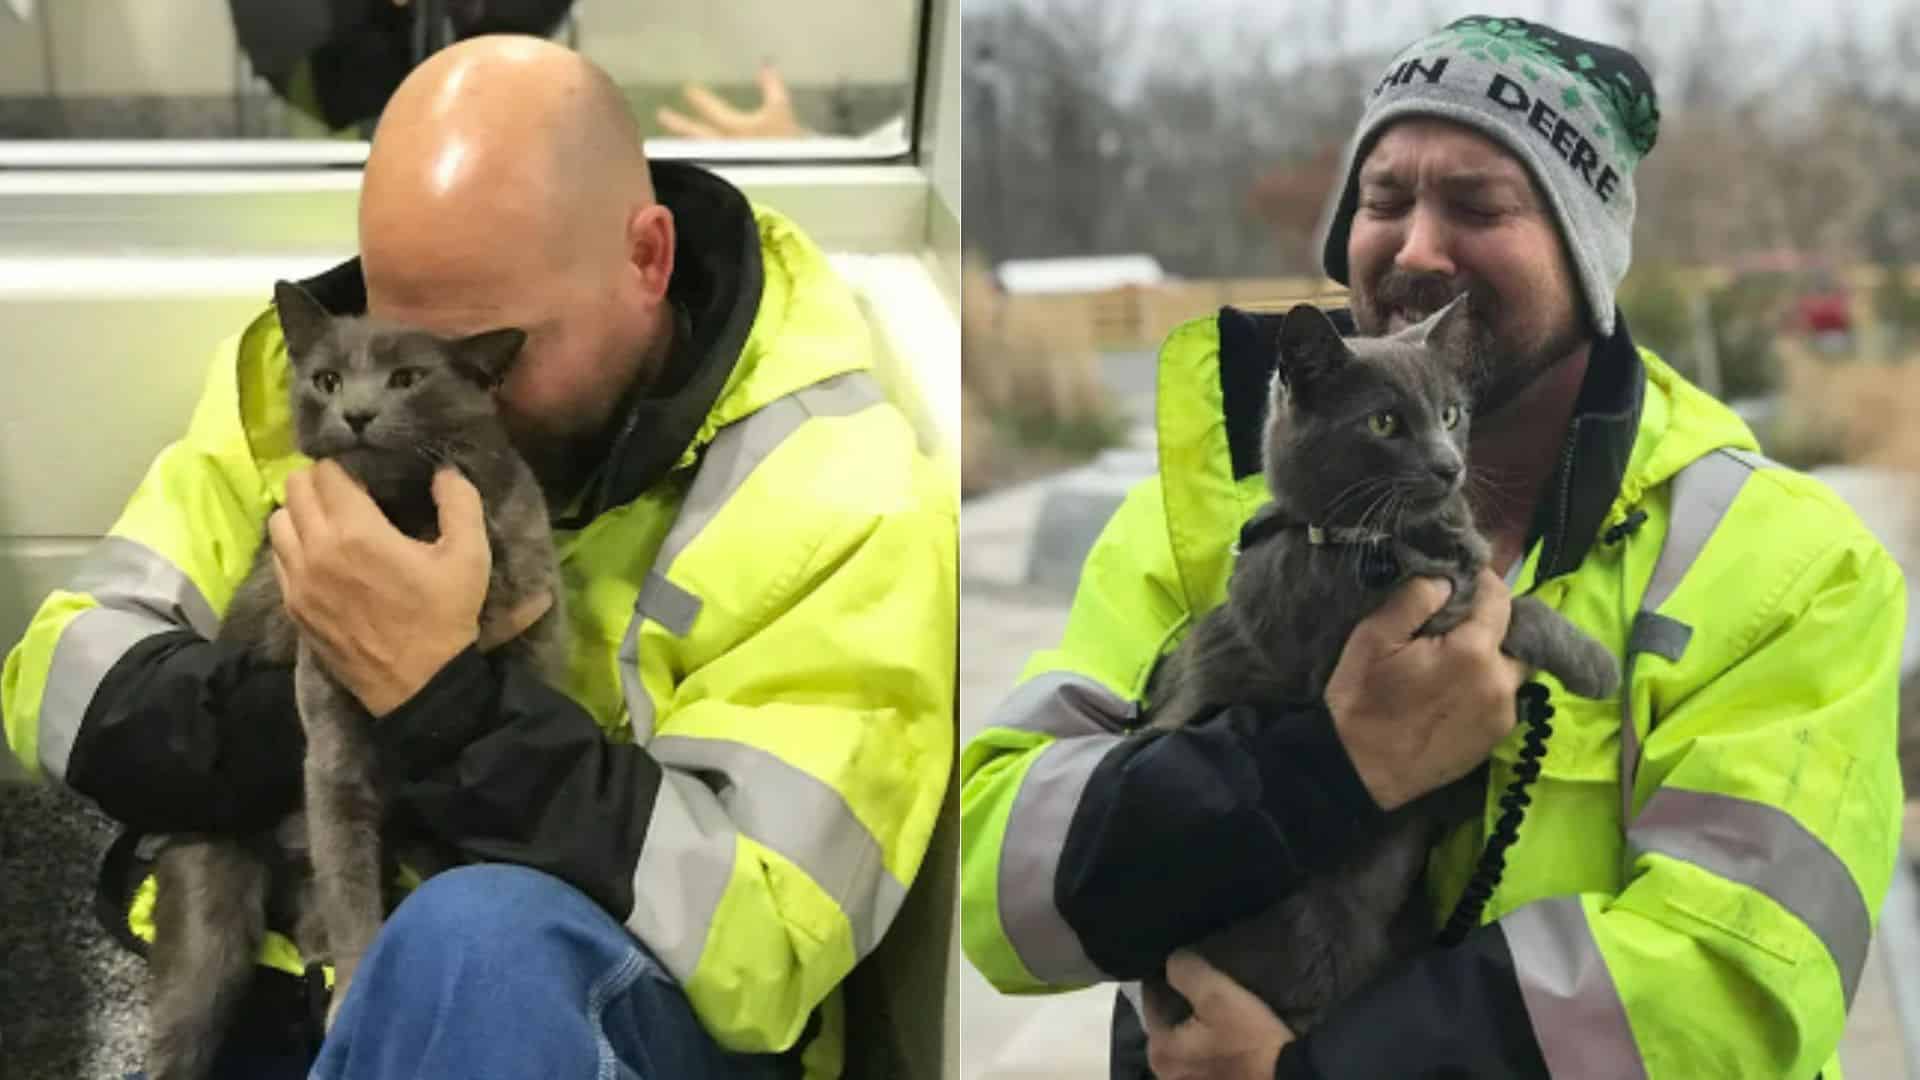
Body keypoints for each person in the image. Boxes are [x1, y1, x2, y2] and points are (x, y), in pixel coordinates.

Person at [959, 14, 1901, 1079]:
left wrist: (1324, 1070)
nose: (1414, 247)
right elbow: (1004, 890)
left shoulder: (1783, 562)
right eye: (1383, 199)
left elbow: (1745, 982)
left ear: (1587, 255)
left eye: (1478, 203)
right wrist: (1315, 773)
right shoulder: (1201, 518)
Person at [3, 34, 954, 1080]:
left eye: (492, 355)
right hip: (292, 973)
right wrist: (324, 694)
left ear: (649, 258)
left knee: (479, 940)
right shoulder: (332, 392)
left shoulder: (838, 492)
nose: (423, 403)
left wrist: (450, 703)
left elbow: (765, 941)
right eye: (403, 341)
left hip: (572, 1005)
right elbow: (62, 675)